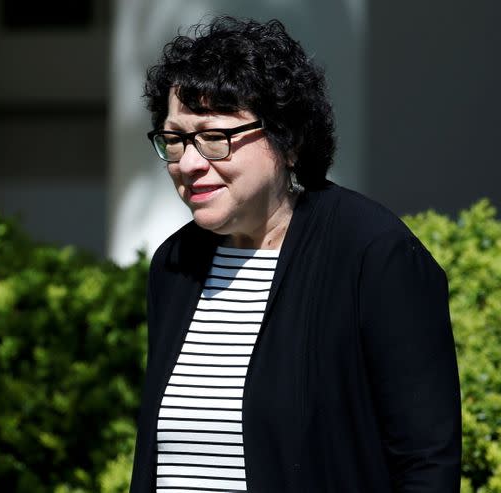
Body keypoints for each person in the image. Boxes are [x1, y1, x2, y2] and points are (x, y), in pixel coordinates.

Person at [129, 16, 461, 493]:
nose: (190, 163)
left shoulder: (372, 254)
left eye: (215, 138)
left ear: (289, 140)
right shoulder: (176, 264)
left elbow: (426, 462)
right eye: (176, 139)